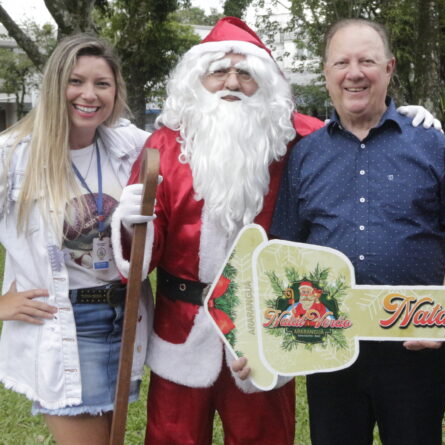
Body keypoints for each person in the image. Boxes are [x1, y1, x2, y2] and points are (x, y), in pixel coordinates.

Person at [109, 16, 327, 445]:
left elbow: (360, 136)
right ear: (197, 81)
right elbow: (140, 260)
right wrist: (131, 224)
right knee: (172, 438)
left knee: (264, 437)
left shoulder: (299, 141)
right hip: (182, 326)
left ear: (265, 84)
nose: (231, 82)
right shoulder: (165, 147)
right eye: (218, 72)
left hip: (267, 323)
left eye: (245, 72)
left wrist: (407, 119)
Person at [271, 18, 445, 445]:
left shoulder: (431, 145)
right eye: (342, 62)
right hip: (329, 342)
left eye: (367, 60)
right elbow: (285, 249)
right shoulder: (306, 155)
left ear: (389, 68)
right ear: (327, 73)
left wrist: (444, 315)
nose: (355, 72)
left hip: (413, 343)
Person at [0, 35, 151, 444]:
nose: (89, 94)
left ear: (115, 90)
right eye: (76, 81)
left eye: (102, 83)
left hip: (123, 320)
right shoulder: (13, 156)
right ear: (55, 85)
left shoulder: (132, 146)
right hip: (64, 324)